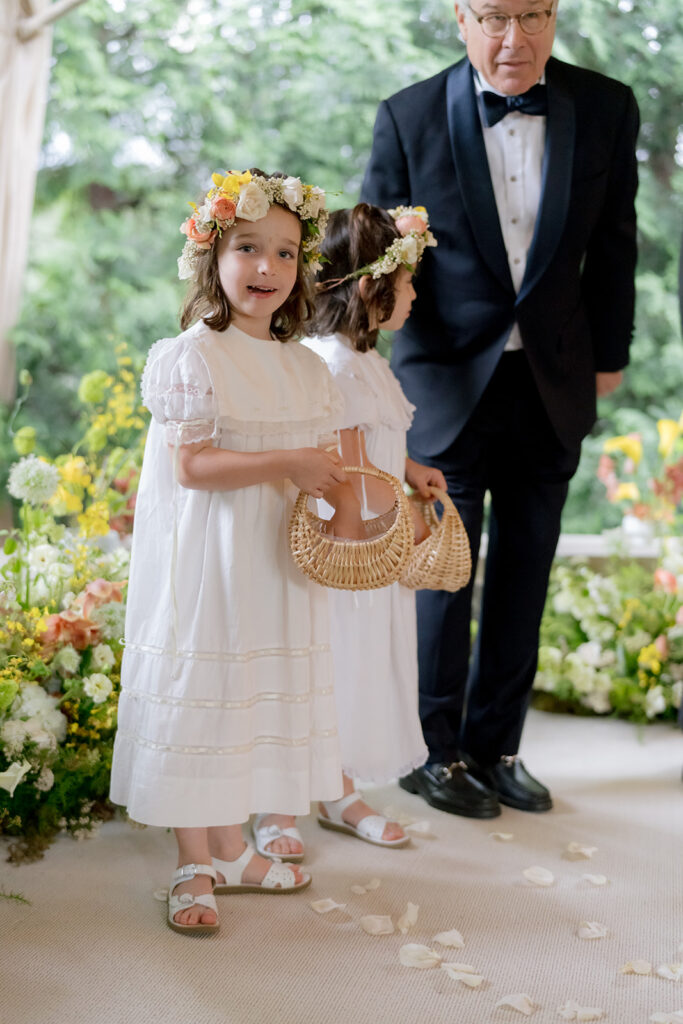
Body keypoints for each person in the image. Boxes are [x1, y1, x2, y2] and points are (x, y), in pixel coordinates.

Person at [361, 0, 639, 816]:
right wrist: (368, 375)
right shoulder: (407, 115)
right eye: (493, 18)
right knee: (442, 577)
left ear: (553, 15)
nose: (514, 38)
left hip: (554, 380)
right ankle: (430, 754)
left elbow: (616, 241)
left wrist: (609, 358)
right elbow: (374, 261)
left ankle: (496, 747)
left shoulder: (606, 105)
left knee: (525, 570)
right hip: (443, 387)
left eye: (533, 15)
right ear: (460, 18)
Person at [110, 168, 349, 934]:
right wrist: (292, 463)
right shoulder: (194, 355)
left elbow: (324, 465)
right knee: (205, 696)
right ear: (212, 255)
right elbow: (192, 466)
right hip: (210, 562)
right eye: (248, 247)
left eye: (285, 253)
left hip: (273, 565)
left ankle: (230, 848)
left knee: (248, 701)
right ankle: (193, 860)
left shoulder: (305, 366)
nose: (266, 267)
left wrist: (340, 502)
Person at [301, 202, 446, 848]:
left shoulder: (366, 360)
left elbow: (377, 441)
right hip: (352, 546)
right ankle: (312, 792)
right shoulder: (332, 364)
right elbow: (348, 469)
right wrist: (396, 520)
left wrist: (411, 470)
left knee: (361, 663)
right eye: (406, 283)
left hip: (374, 538)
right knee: (340, 661)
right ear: (369, 289)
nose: (413, 296)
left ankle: (341, 786)